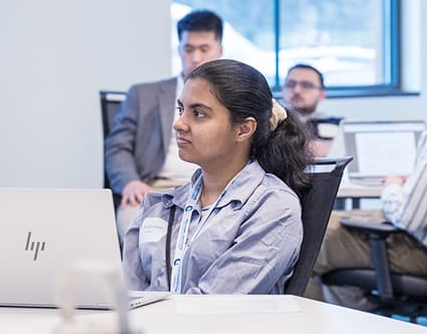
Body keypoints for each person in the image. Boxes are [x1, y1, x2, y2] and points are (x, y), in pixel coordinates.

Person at [306, 32, 427, 309]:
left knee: (308, 240)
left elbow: (410, 216)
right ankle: (358, 321)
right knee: (330, 223)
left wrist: (391, 186)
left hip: (425, 253)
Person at [121, 59, 312, 294]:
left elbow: (212, 304)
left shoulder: (274, 208)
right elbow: (128, 298)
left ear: (244, 129)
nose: (179, 124)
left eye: (198, 113)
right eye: (181, 110)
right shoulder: (160, 206)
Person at [105, 10, 223, 237]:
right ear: (179, 50)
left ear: (220, 50)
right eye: (188, 49)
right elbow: (117, 146)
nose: (196, 57)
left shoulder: (235, 99)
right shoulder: (142, 94)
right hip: (153, 188)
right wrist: (130, 181)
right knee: (137, 233)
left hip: (216, 189)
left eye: (204, 49)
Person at [281, 64, 341, 157]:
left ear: (322, 94)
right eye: (291, 84)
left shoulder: (339, 126)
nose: (297, 90)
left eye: (306, 85)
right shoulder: (270, 125)